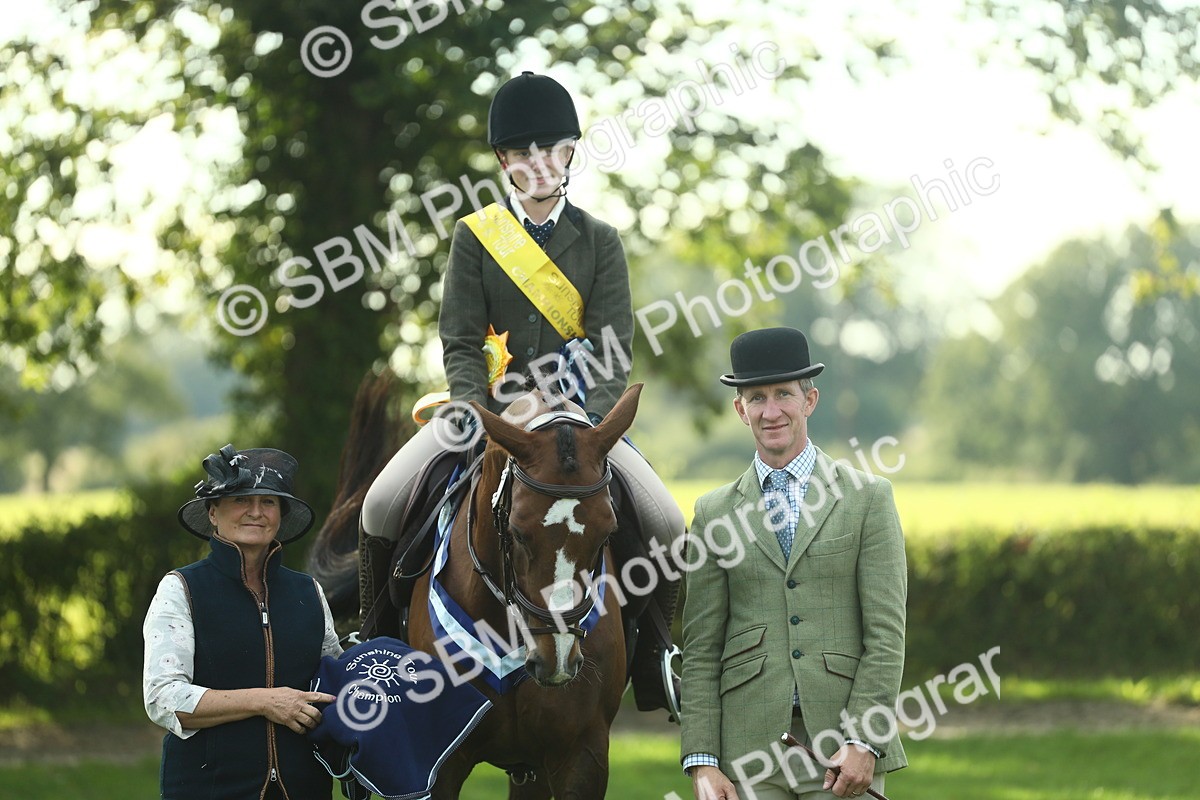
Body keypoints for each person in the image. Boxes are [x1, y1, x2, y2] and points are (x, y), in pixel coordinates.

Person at [360, 71, 685, 714]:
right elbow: (458, 339)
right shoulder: (475, 238)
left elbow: (614, 345)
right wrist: (484, 411)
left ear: (570, 153)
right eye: (522, 152)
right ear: (504, 161)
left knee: (668, 521)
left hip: (580, 419)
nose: (538, 163)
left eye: (551, 149)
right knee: (380, 503)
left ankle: (655, 658)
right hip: (490, 414)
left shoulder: (600, 240)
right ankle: (374, 646)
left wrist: (581, 416)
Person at [680, 327, 908, 799]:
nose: (771, 410)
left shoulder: (869, 498)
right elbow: (701, 651)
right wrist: (702, 762)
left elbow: (886, 636)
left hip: (844, 752)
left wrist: (865, 740)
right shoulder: (713, 513)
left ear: (810, 400)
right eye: (756, 397)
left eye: (784, 394)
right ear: (740, 409)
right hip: (746, 758)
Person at [143, 445, 342, 800]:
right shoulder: (181, 588)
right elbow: (163, 698)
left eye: (268, 502)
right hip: (209, 790)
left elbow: (335, 679)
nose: (255, 512)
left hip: (304, 788)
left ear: (280, 514)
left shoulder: (308, 590)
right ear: (213, 513)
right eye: (241, 500)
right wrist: (265, 701)